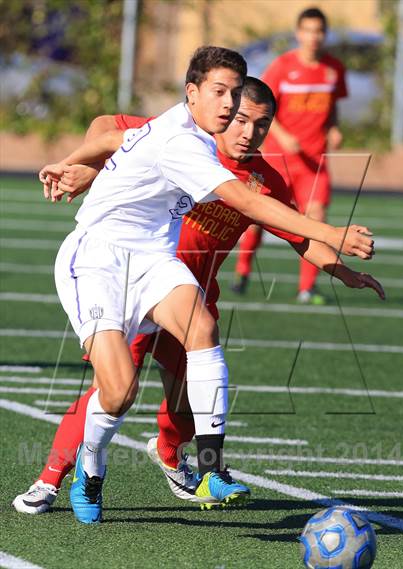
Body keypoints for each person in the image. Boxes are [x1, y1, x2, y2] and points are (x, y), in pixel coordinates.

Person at [13, 76, 383, 518]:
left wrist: (343, 272)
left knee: (192, 395)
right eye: (241, 119)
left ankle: (174, 456)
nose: (249, 132)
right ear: (222, 112)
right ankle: (52, 478)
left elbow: (297, 235)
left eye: (262, 124)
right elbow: (107, 128)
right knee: (113, 388)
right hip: (133, 279)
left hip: (188, 293)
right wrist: (83, 168)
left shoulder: (264, 180)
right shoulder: (182, 138)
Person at [232, 7, 347, 304]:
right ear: (299, 33)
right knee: (258, 218)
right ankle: (243, 271)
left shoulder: (334, 69)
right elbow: (263, 108)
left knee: (316, 217)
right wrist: (282, 135)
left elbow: (332, 108)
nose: (313, 37)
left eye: (319, 31)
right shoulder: (283, 67)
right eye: (308, 30)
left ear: (325, 34)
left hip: (314, 163)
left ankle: (306, 287)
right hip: (279, 160)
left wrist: (334, 128)